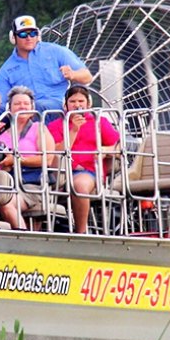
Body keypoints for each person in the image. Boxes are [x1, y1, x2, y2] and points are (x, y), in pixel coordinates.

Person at [0, 15, 92, 113]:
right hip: (25, 114)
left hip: (58, 109)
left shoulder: (57, 51)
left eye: (33, 33)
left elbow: (87, 77)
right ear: (13, 37)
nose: (29, 37)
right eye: (23, 34)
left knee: (39, 106)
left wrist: (73, 74)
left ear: (38, 35)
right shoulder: (6, 70)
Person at [47, 85, 120, 234]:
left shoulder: (99, 122)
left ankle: (81, 232)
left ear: (88, 103)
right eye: (73, 101)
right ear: (65, 105)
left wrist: (104, 150)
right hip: (59, 172)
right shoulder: (55, 125)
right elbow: (55, 151)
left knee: (79, 185)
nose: (77, 105)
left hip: (89, 172)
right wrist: (74, 129)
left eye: (81, 101)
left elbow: (119, 148)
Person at [0, 86, 57, 229]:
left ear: (32, 107)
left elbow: (48, 159)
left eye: (26, 104)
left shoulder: (40, 128)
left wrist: (17, 160)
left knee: (5, 202)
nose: (22, 107)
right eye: (17, 104)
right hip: (5, 182)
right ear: (10, 108)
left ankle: (23, 236)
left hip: (31, 184)